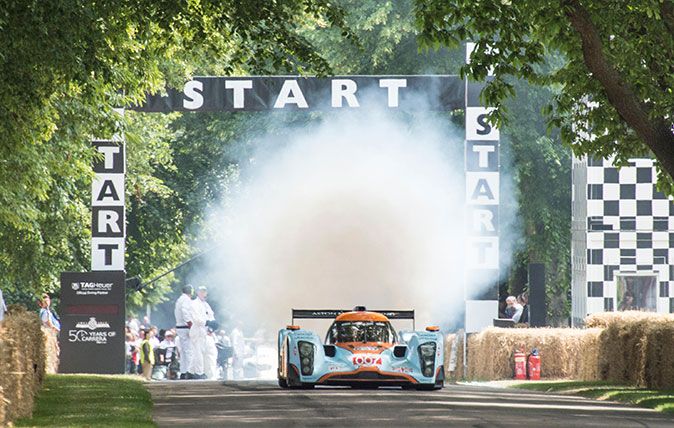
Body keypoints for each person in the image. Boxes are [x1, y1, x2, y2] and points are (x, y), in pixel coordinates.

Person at [188, 286, 218, 380]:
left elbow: (211, 315)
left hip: (204, 331)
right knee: (198, 352)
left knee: (201, 352)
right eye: (201, 292)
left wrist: (212, 326)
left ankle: (190, 371)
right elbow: (196, 319)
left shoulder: (205, 304)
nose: (203, 294)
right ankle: (199, 372)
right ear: (198, 293)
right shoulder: (194, 304)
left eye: (204, 292)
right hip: (197, 330)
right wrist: (207, 322)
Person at [174, 284, 194, 379]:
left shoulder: (180, 299)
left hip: (180, 326)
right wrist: (190, 323)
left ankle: (183, 371)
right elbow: (185, 311)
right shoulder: (186, 300)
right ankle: (189, 371)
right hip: (185, 327)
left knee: (183, 351)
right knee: (189, 350)